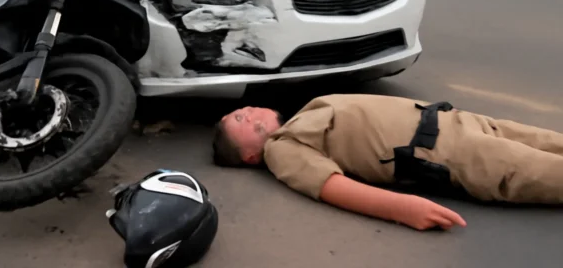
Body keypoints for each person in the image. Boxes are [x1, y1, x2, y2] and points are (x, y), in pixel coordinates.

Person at [211, 93, 563, 231]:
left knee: (552, 144)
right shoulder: (282, 150)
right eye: (239, 123)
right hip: (456, 154)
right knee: (548, 172)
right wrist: (402, 208)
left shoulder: (303, 114)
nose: (243, 112)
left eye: (238, 111)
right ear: (250, 156)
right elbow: (332, 186)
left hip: (463, 123)